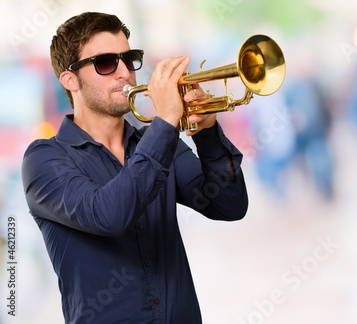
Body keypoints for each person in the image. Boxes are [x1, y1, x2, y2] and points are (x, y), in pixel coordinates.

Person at [21, 12, 248, 324]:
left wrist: (207, 131)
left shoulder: (155, 142)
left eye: (129, 59)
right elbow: (109, 215)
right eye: (105, 63)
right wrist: (166, 121)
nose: (124, 73)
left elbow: (230, 205)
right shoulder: (44, 159)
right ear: (69, 80)